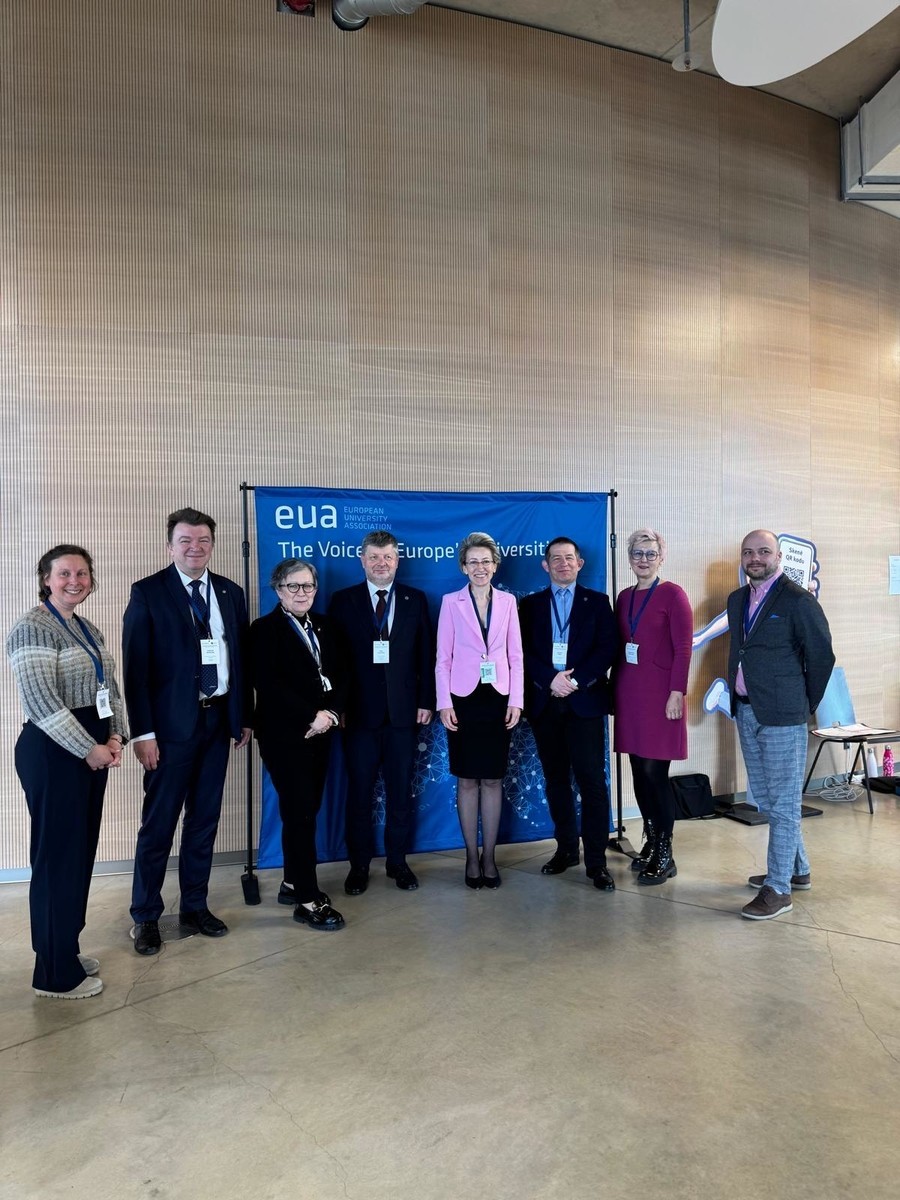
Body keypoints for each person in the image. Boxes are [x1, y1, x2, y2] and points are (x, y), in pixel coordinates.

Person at [123, 507, 252, 955]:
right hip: (169, 730)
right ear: (170, 546)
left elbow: (240, 660)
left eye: (203, 541)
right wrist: (143, 734)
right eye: (185, 541)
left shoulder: (230, 593)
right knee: (159, 825)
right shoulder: (148, 592)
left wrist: (243, 717)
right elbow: (136, 671)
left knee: (204, 820)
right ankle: (146, 915)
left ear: (212, 545)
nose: (195, 548)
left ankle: (195, 906)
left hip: (217, 724)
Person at [7, 545, 127, 998]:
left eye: (81, 573)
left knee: (77, 855)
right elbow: (41, 703)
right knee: (57, 859)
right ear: (46, 579)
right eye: (63, 574)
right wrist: (88, 749)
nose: (74, 581)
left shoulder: (85, 626)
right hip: (54, 752)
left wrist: (116, 736)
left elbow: (109, 689)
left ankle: (64, 950)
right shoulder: (31, 627)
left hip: (91, 749)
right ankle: (54, 975)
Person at [727, 529, 834, 920]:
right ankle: (796, 869)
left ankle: (778, 889)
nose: (755, 558)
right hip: (747, 710)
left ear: (778, 557)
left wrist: (803, 704)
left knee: (785, 803)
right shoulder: (737, 599)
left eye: (763, 551)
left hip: (784, 717)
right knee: (769, 799)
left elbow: (822, 657)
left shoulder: (798, 600)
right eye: (748, 552)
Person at [328, 531, 434, 896]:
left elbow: (426, 653)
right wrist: (338, 707)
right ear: (362, 560)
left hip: (403, 716)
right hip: (358, 717)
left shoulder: (414, 599)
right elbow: (335, 661)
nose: (381, 563)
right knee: (359, 794)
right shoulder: (343, 601)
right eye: (374, 556)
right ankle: (358, 866)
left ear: (397, 560)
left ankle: (397, 862)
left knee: (400, 793)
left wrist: (426, 700)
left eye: (388, 556)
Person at [251, 559, 348, 930]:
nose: (302, 592)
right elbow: (268, 684)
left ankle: (293, 881)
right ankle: (307, 901)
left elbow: (342, 675)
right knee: (300, 813)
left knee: (308, 808)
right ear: (278, 590)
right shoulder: (264, 630)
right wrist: (312, 715)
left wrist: (331, 714)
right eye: (293, 586)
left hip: (322, 731)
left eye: (308, 586)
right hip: (285, 735)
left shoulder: (327, 625)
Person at [520, 537, 619, 891]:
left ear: (580, 563)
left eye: (569, 558)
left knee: (592, 782)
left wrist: (574, 681)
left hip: (584, 702)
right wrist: (551, 679)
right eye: (556, 559)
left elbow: (608, 648)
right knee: (556, 780)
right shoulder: (529, 605)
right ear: (545, 565)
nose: (563, 564)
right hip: (546, 703)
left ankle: (597, 862)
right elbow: (520, 650)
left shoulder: (598, 602)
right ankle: (565, 850)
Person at [436, 532, 523, 889]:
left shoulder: (508, 602)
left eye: (486, 561)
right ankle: (471, 857)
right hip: (463, 700)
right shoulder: (450, 602)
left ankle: (490, 856)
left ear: (495, 565)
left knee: (493, 778)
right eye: (473, 562)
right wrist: (444, 702)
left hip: (498, 699)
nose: (480, 567)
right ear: (463, 567)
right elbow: (443, 658)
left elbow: (516, 655)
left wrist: (516, 699)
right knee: (467, 779)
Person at [613, 528, 692, 885]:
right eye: (637, 553)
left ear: (662, 557)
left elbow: (684, 648)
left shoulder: (673, 594)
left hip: (661, 696)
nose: (643, 560)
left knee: (654, 773)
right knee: (637, 771)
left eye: (650, 553)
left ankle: (665, 851)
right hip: (630, 693)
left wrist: (677, 692)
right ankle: (650, 839)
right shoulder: (624, 597)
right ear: (629, 558)